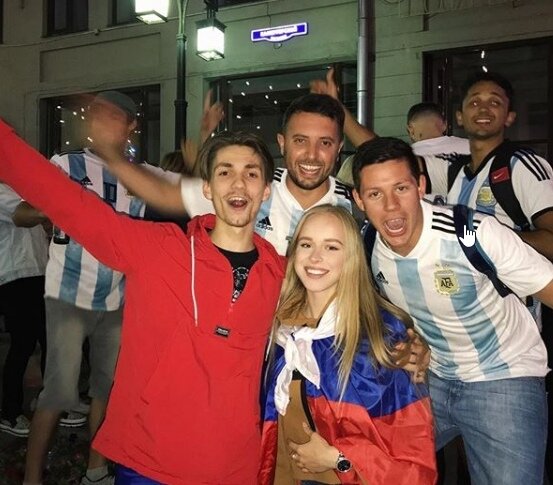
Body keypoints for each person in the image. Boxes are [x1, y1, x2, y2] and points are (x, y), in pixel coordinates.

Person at [0, 115, 286, 484]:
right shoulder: (157, 249)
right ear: (207, 188)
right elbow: (66, 200)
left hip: (232, 466)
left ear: (266, 190)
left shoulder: (282, 275)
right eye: (225, 172)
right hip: (147, 460)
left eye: (251, 173)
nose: (238, 183)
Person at [351, 136, 553, 485]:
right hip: (430, 380)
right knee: (368, 467)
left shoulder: (471, 233)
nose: (391, 206)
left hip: (503, 377)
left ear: (421, 186)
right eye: (375, 194)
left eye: (401, 188)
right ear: (358, 199)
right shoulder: (368, 245)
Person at [21, 91, 178, 485]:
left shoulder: (141, 175)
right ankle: (31, 477)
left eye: (113, 116)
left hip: (118, 297)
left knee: (107, 389)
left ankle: (95, 469)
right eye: (97, 115)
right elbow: (22, 213)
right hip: (68, 295)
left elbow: (188, 193)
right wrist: (53, 206)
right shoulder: (66, 164)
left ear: (131, 125)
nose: (102, 122)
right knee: (58, 392)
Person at [259, 205, 437, 484]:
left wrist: (339, 458)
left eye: (331, 247)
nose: (315, 257)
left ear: (351, 258)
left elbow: (416, 467)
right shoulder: (279, 326)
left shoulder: (382, 341)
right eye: (306, 244)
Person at [88, 92, 353, 257]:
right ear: (282, 143)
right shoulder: (254, 189)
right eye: (300, 141)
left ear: (339, 147)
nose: (311, 155)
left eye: (325, 143)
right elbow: (165, 194)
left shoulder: (354, 207)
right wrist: (110, 154)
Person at [0, 187, 49, 437]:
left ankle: (48, 403)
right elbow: (23, 216)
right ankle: (9, 412)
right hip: (15, 276)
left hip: (38, 272)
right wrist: (59, 204)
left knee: (49, 339)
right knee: (23, 343)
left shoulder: (23, 188)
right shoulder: (2, 191)